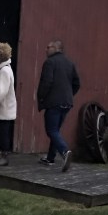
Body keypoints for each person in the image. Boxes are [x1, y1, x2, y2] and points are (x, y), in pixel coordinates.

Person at [37, 39, 80, 172]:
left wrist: (41, 97)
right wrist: (68, 95)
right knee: (55, 130)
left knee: (51, 130)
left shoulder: (50, 62)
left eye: (48, 47)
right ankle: (50, 157)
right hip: (66, 103)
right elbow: (77, 83)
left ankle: (65, 151)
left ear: (57, 48)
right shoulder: (70, 63)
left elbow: (47, 82)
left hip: (54, 102)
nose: (46, 49)